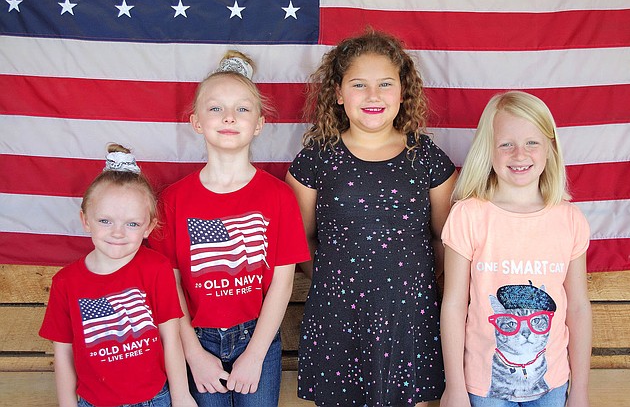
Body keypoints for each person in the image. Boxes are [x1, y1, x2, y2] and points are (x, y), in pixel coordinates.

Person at [286, 30, 457, 406]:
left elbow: (446, 238)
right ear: (338, 93)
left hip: (409, 314)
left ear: (403, 91)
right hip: (338, 314)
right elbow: (299, 241)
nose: (373, 95)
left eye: (385, 84)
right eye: (359, 84)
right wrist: (338, 278)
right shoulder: (316, 159)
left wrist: (413, 281)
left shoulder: (426, 157)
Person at [148, 51, 310, 407]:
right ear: (196, 121)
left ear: (259, 124)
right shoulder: (173, 199)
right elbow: (169, 283)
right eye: (216, 108)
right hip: (196, 338)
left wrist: (255, 354)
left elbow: (283, 283)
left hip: (257, 336)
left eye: (242, 109)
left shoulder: (278, 196)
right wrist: (192, 354)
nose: (229, 118)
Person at [439, 91, 592, 407]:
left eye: (532, 142)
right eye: (506, 144)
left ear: (549, 148)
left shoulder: (570, 219)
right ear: (489, 151)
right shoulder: (469, 215)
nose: (520, 154)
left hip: (552, 384)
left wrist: (580, 390)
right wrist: (454, 388)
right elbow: (454, 304)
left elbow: (577, 307)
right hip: (483, 386)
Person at [39, 143, 195, 407]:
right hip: (95, 401)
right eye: (105, 221)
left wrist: (181, 396)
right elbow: (63, 352)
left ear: (149, 227)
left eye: (132, 224)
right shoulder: (65, 283)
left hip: (154, 399)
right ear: (86, 220)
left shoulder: (157, 268)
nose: (118, 232)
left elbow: (170, 337)